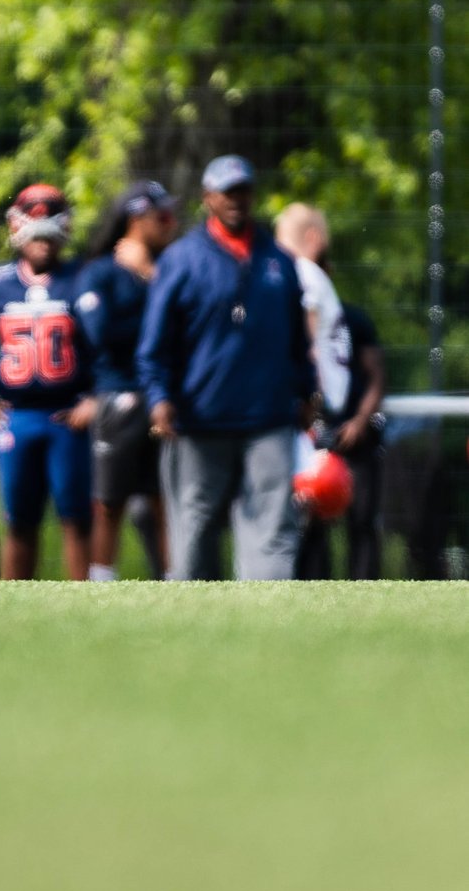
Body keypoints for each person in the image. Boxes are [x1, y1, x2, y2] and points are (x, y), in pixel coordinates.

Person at [137, 155, 317, 581]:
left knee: (272, 528)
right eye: (227, 192)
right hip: (200, 420)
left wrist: (307, 391)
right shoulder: (181, 261)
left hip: (268, 417)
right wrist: (159, 398)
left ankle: (268, 621)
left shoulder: (279, 261)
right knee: (194, 531)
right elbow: (153, 345)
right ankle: (191, 627)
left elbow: (297, 340)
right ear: (208, 198)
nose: (237, 200)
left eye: (244, 190)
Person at [0, 185, 98, 580]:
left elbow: (108, 344)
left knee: (76, 519)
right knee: (18, 522)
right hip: (16, 417)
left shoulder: (84, 278)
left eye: (48, 234)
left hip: (67, 416)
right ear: (16, 230)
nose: (41, 243)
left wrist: (96, 396)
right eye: (35, 234)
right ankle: (12, 612)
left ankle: (84, 610)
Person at [77, 180, 177, 579]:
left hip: (164, 399)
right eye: (162, 216)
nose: (171, 224)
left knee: (164, 499)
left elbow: (190, 322)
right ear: (137, 219)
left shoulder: (167, 269)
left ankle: (176, 584)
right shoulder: (100, 273)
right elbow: (100, 335)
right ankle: (103, 584)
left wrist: (149, 275)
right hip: (118, 397)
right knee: (109, 501)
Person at [298, 296, 388, 580]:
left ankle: (366, 588)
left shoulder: (353, 318)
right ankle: (312, 591)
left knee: (362, 519)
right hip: (311, 436)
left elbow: (377, 376)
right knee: (310, 522)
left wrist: (360, 422)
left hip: (354, 435)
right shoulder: (289, 317)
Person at [275, 204, 346, 420]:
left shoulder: (298, 273)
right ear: (313, 236)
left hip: (316, 402)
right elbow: (308, 342)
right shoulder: (306, 272)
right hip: (316, 405)